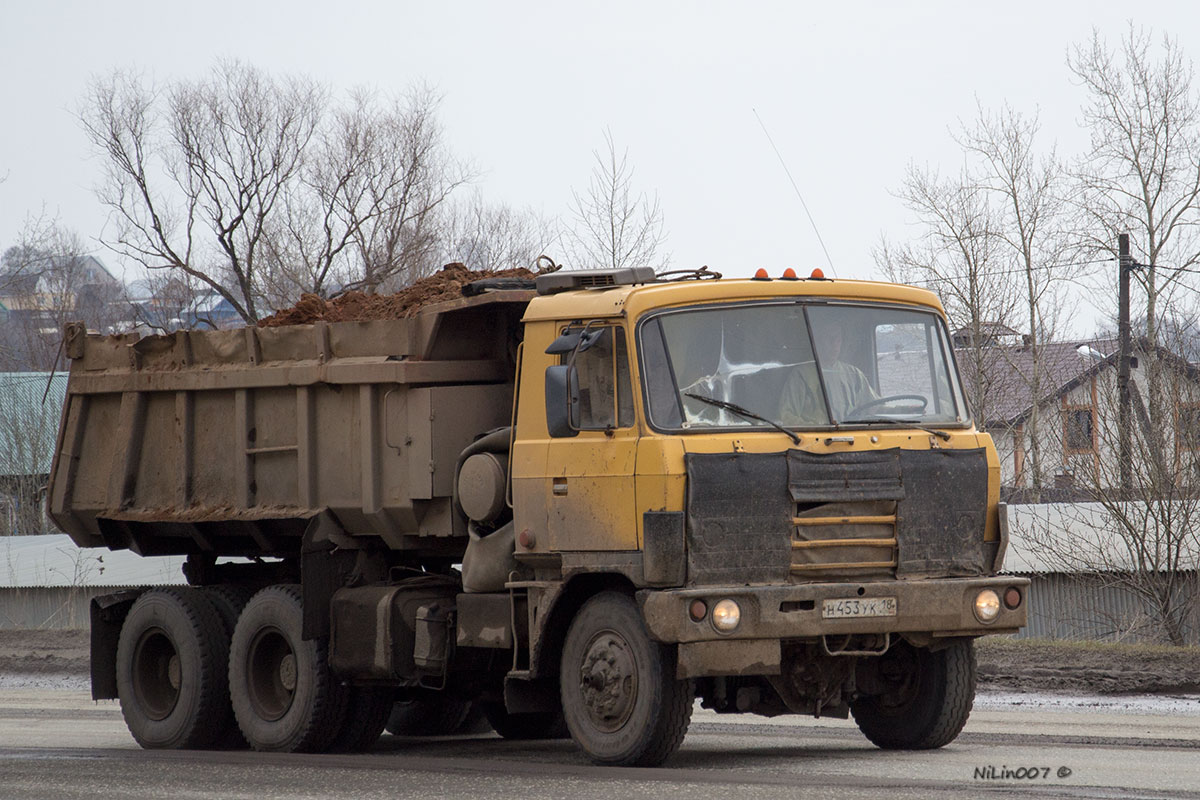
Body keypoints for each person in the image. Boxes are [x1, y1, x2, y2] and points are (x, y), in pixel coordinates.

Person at [779, 322, 877, 424]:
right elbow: (786, 416)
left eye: (838, 339)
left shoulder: (854, 374)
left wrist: (894, 412)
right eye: (829, 338)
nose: (834, 344)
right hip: (816, 438)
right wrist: (815, 429)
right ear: (818, 341)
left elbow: (874, 407)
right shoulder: (801, 374)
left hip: (853, 435)